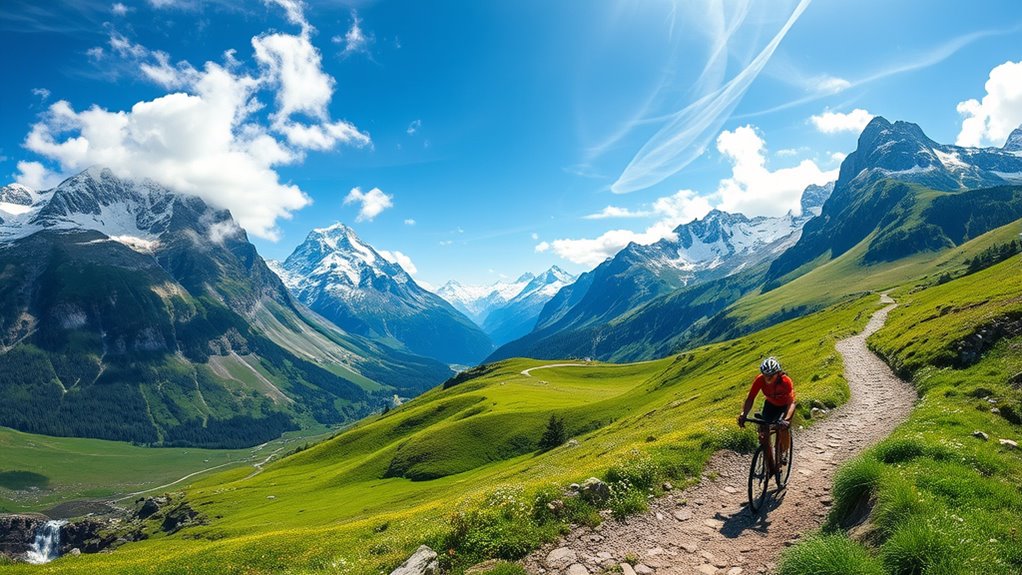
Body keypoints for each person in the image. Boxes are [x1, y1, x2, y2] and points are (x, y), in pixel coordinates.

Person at [737, 357, 796, 472]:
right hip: (770, 405)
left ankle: (784, 452)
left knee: (783, 428)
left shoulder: (785, 382)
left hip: (785, 407)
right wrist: (744, 414)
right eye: (765, 375)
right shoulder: (760, 380)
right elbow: (750, 398)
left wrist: (786, 419)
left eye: (771, 375)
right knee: (763, 431)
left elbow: (791, 402)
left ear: (778, 374)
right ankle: (770, 462)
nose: (768, 378)